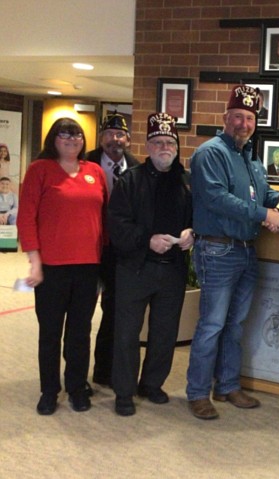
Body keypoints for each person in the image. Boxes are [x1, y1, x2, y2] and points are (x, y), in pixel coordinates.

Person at [186, 84, 279, 420]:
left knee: (235, 324)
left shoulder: (249, 155)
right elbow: (218, 199)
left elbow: (260, 192)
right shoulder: (210, 153)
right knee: (212, 324)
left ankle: (227, 384)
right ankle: (198, 392)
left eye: (249, 118)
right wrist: (264, 214)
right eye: (237, 117)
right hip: (218, 251)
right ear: (225, 118)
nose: (243, 123)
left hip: (246, 251)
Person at [17, 117, 107, 415]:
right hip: (52, 267)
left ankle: (77, 387)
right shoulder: (39, 170)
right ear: (52, 139)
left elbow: (104, 219)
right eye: (64, 134)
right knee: (51, 332)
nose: (71, 139)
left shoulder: (94, 171)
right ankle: (49, 390)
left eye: (77, 134)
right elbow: (26, 217)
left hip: (88, 266)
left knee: (81, 332)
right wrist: (35, 262)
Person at [109, 112, 194, 416]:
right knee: (127, 333)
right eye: (157, 142)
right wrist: (147, 240)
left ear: (176, 146)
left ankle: (152, 384)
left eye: (169, 142)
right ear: (147, 145)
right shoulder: (129, 180)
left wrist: (190, 234)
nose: (164, 147)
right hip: (136, 268)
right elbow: (116, 225)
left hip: (172, 270)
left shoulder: (186, 181)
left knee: (164, 333)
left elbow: (195, 219)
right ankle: (124, 391)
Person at [85, 111, 140, 388]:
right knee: (81, 311)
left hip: (120, 251)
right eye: (109, 134)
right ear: (101, 138)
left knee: (114, 310)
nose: (114, 139)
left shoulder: (136, 167)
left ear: (128, 140)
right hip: (89, 247)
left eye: (120, 135)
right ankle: (77, 375)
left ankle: (105, 371)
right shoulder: (86, 163)